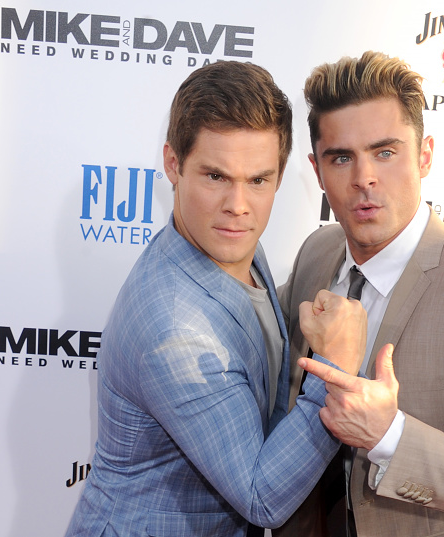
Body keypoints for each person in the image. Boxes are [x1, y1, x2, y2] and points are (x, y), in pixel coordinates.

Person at [65, 60, 368, 537]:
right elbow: (261, 497)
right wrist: (337, 371)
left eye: (258, 180)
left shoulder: (230, 240)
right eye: (215, 177)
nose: (239, 205)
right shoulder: (174, 329)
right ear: (173, 164)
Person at [275, 51, 444, 536]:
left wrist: (388, 437)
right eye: (342, 158)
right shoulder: (317, 253)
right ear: (317, 171)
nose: (364, 179)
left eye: (385, 152)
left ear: (424, 155)